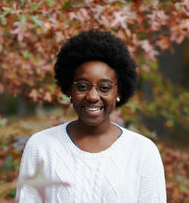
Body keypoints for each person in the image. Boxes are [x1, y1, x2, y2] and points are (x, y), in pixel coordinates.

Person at [16, 29, 166, 203]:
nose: (93, 96)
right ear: (69, 90)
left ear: (119, 92)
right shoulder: (41, 146)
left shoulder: (143, 151)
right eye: (82, 86)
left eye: (104, 87)